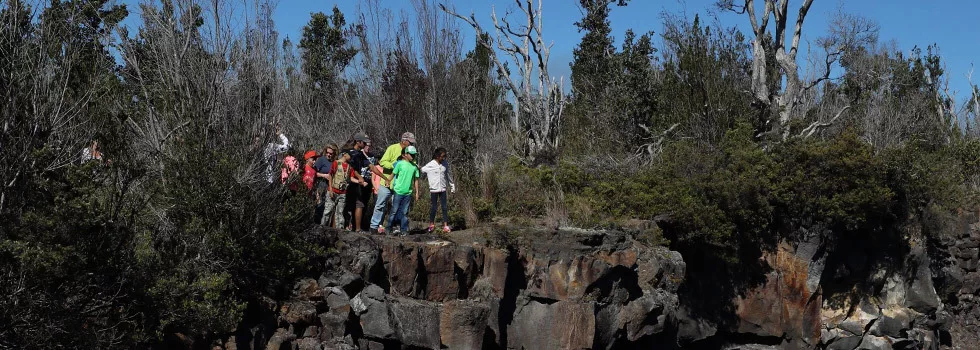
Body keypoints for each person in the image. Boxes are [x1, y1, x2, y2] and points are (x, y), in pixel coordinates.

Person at [370, 132, 416, 234]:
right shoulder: (392, 148)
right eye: (410, 142)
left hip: (400, 186)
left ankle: (395, 227)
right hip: (386, 182)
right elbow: (382, 162)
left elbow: (413, 165)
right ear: (404, 140)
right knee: (380, 205)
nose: (411, 144)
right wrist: (394, 165)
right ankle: (374, 226)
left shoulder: (410, 152)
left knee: (399, 208)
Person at [328, 149, 368, 230]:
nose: (351, 158)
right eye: (351, 156)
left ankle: (339, 230)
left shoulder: (350, 166)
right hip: (334, 190)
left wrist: (359, 181)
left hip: (343, 192)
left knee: (340, 212)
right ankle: (325, 227)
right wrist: (330, 189)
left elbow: (351, 177)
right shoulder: (336, 163)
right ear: (345, 154)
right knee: (328, 211)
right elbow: (330, 175)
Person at [346, 133, 377, 233]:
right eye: (364, 142)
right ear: (358, 142)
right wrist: (359, 177)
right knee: (348, 205)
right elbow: (351, 168)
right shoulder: (349, 153)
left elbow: (371, 166)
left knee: (359, 204)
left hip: (358, 185)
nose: (365, 144)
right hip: (349, 183)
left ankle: (356, 228)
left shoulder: (360, 154)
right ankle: (347, 227)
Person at [387, 146, 420, 236]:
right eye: (411, 154)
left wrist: (417, 192)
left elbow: (416, 180)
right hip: (398, 191)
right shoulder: (400, 164)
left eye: (414, 155)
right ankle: (389, 228)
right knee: (394, 211)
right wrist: (388, 181)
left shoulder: (414, 167)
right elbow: (393, 174)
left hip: (408, 193)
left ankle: (403, 230)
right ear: (405, 154)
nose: (413, 156)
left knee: (405, 212)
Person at [421, 147, 456, 233]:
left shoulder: (445, 164)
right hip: (434, 189)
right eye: (442, 156)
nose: (443, 158)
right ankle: (431, 224)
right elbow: (422, 170)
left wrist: (452, 186)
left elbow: (448, 175)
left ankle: (445, 225)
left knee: (444, 207)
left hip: (443, 188)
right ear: (437, 156)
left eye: (445, 156)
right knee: (434, 207)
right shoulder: (431, 164)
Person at [315, 144, 338, 225]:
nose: (328, 155)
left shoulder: (335, 162)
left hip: (332, 186)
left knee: (329, 207)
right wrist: (324, 175)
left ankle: (326, 224)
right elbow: (314, 173)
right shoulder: (321, 160)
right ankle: (317, 223)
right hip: (321, 184)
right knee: (320, 205)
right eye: (327, 152)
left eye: (331, 153)